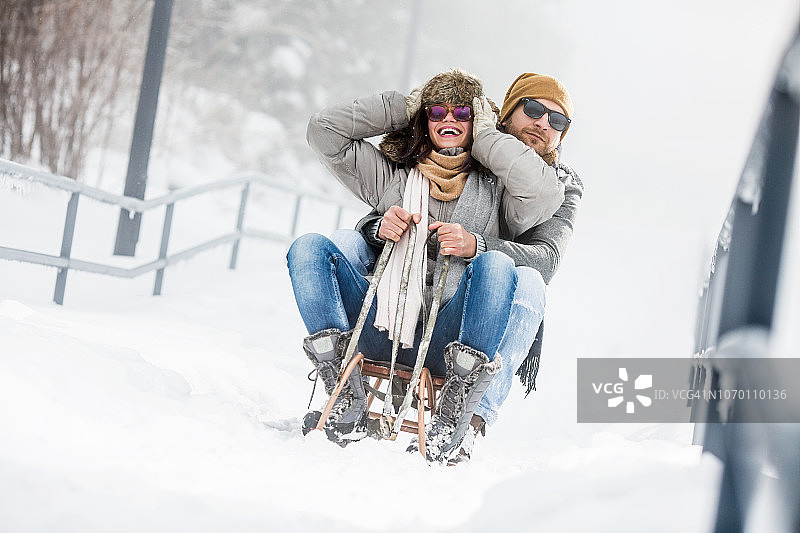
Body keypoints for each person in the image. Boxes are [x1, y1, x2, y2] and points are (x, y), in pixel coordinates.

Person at [287, 69, 565, 463]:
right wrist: (403, 107)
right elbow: (324, 130)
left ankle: (458, 410)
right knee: (307, 248)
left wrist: (474, 244)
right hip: (380, 326)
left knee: (500, 265)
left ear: (482, 121)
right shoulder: (396, 176)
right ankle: (344, 394)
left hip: (448, 341)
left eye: (462, 114)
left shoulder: (499, 191)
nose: (449, 120)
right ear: (423, 120)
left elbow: (543, 192)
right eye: (437, 112)